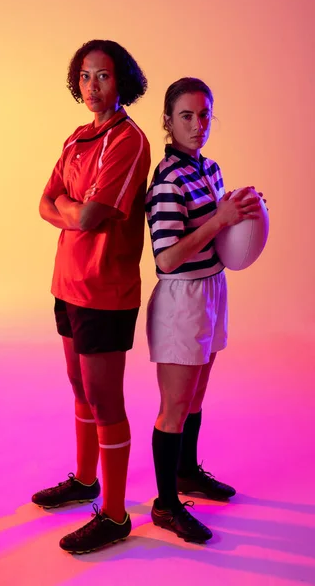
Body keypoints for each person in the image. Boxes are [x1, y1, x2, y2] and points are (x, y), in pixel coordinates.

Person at [32, 39, 150, 554]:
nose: (92, 86)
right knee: (78, 388)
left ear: (122, 79)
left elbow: (87, 216)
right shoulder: (76, 138)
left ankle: (116, 514)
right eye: (84, 76)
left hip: (106, 289)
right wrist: (69, 209)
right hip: (67, 282)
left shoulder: (129, 140)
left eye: (102, 76)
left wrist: (70, 208)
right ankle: (85, 481)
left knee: (105, 401)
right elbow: (44, 203)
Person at [145, 77, 262, 542]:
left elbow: (223, 232)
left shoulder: (210, 169)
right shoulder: (167, 182)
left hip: (212, 289)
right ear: (168, 122)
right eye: (187, 116)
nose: (198, 125)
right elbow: (166, 257)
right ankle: (165, 504)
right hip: (181, 298)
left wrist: (244, 211)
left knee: (195, 398)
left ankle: (187, 472)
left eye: (204, 115)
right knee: (174, 406)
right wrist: (220, 218)